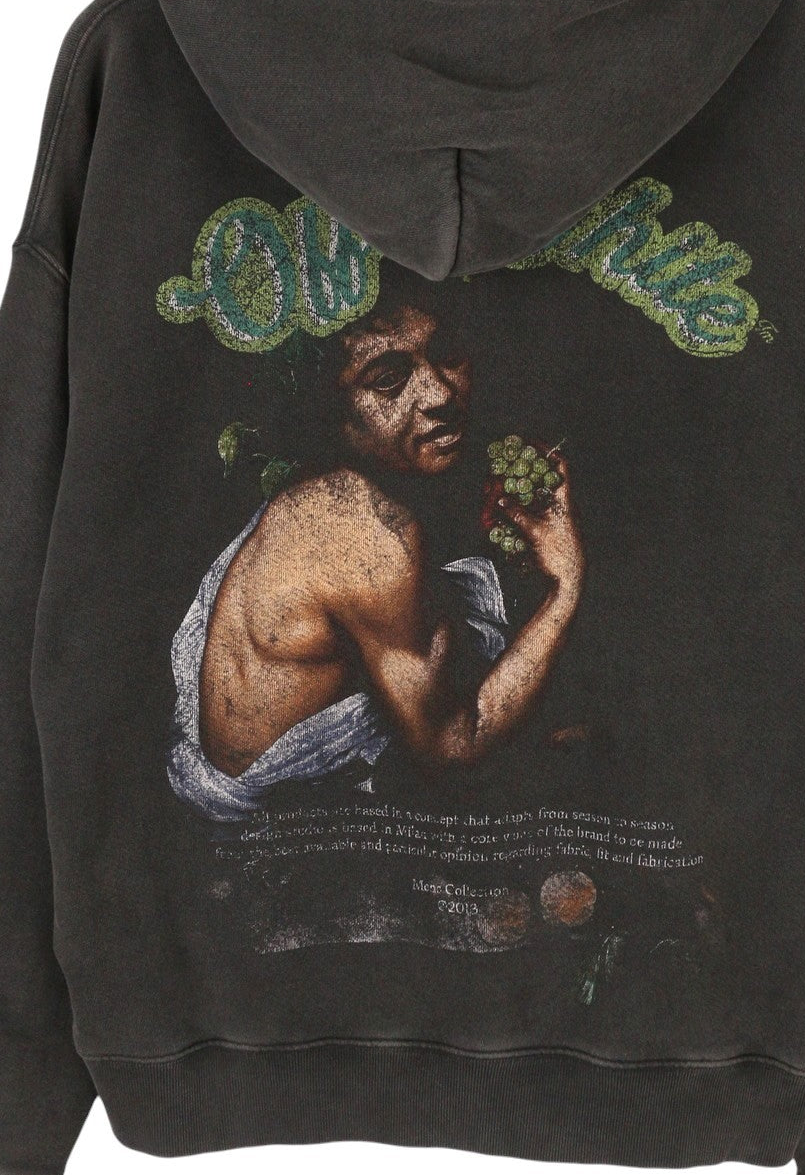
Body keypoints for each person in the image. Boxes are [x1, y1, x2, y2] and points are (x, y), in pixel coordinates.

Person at [166, 279, 586, 819]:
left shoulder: (321, 497)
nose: (439, 395)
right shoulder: (362, 530)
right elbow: (453, 749)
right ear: (330, 407)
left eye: (446, 355)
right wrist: (565, 587)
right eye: (389, 380)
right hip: (276, 830)